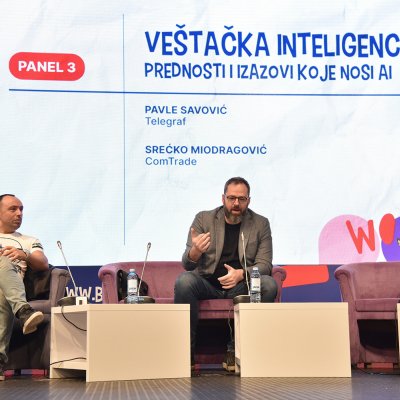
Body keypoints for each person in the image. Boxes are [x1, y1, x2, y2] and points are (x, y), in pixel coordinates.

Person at [174, 177, 277, 370]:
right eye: (231, 198)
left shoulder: (260, 223)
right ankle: (185, 356)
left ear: (248, 200)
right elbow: (187, 264)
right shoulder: (204, 219)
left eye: (241, 199)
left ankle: (238, 351)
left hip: (241, 286)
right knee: (184, 281)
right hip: (208, 285)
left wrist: (241, 274)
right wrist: (195, 251)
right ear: (223, 199)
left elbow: (265, 265)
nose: (236, 203)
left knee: (268, 284)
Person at [0, 194, 48, 380]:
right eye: (13, 209)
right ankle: (23, 311)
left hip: (10, 288)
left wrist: (24, 254)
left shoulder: (28, 240)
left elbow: (43, 263)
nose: (19, 213)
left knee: (3, 292)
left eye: (21, 209)